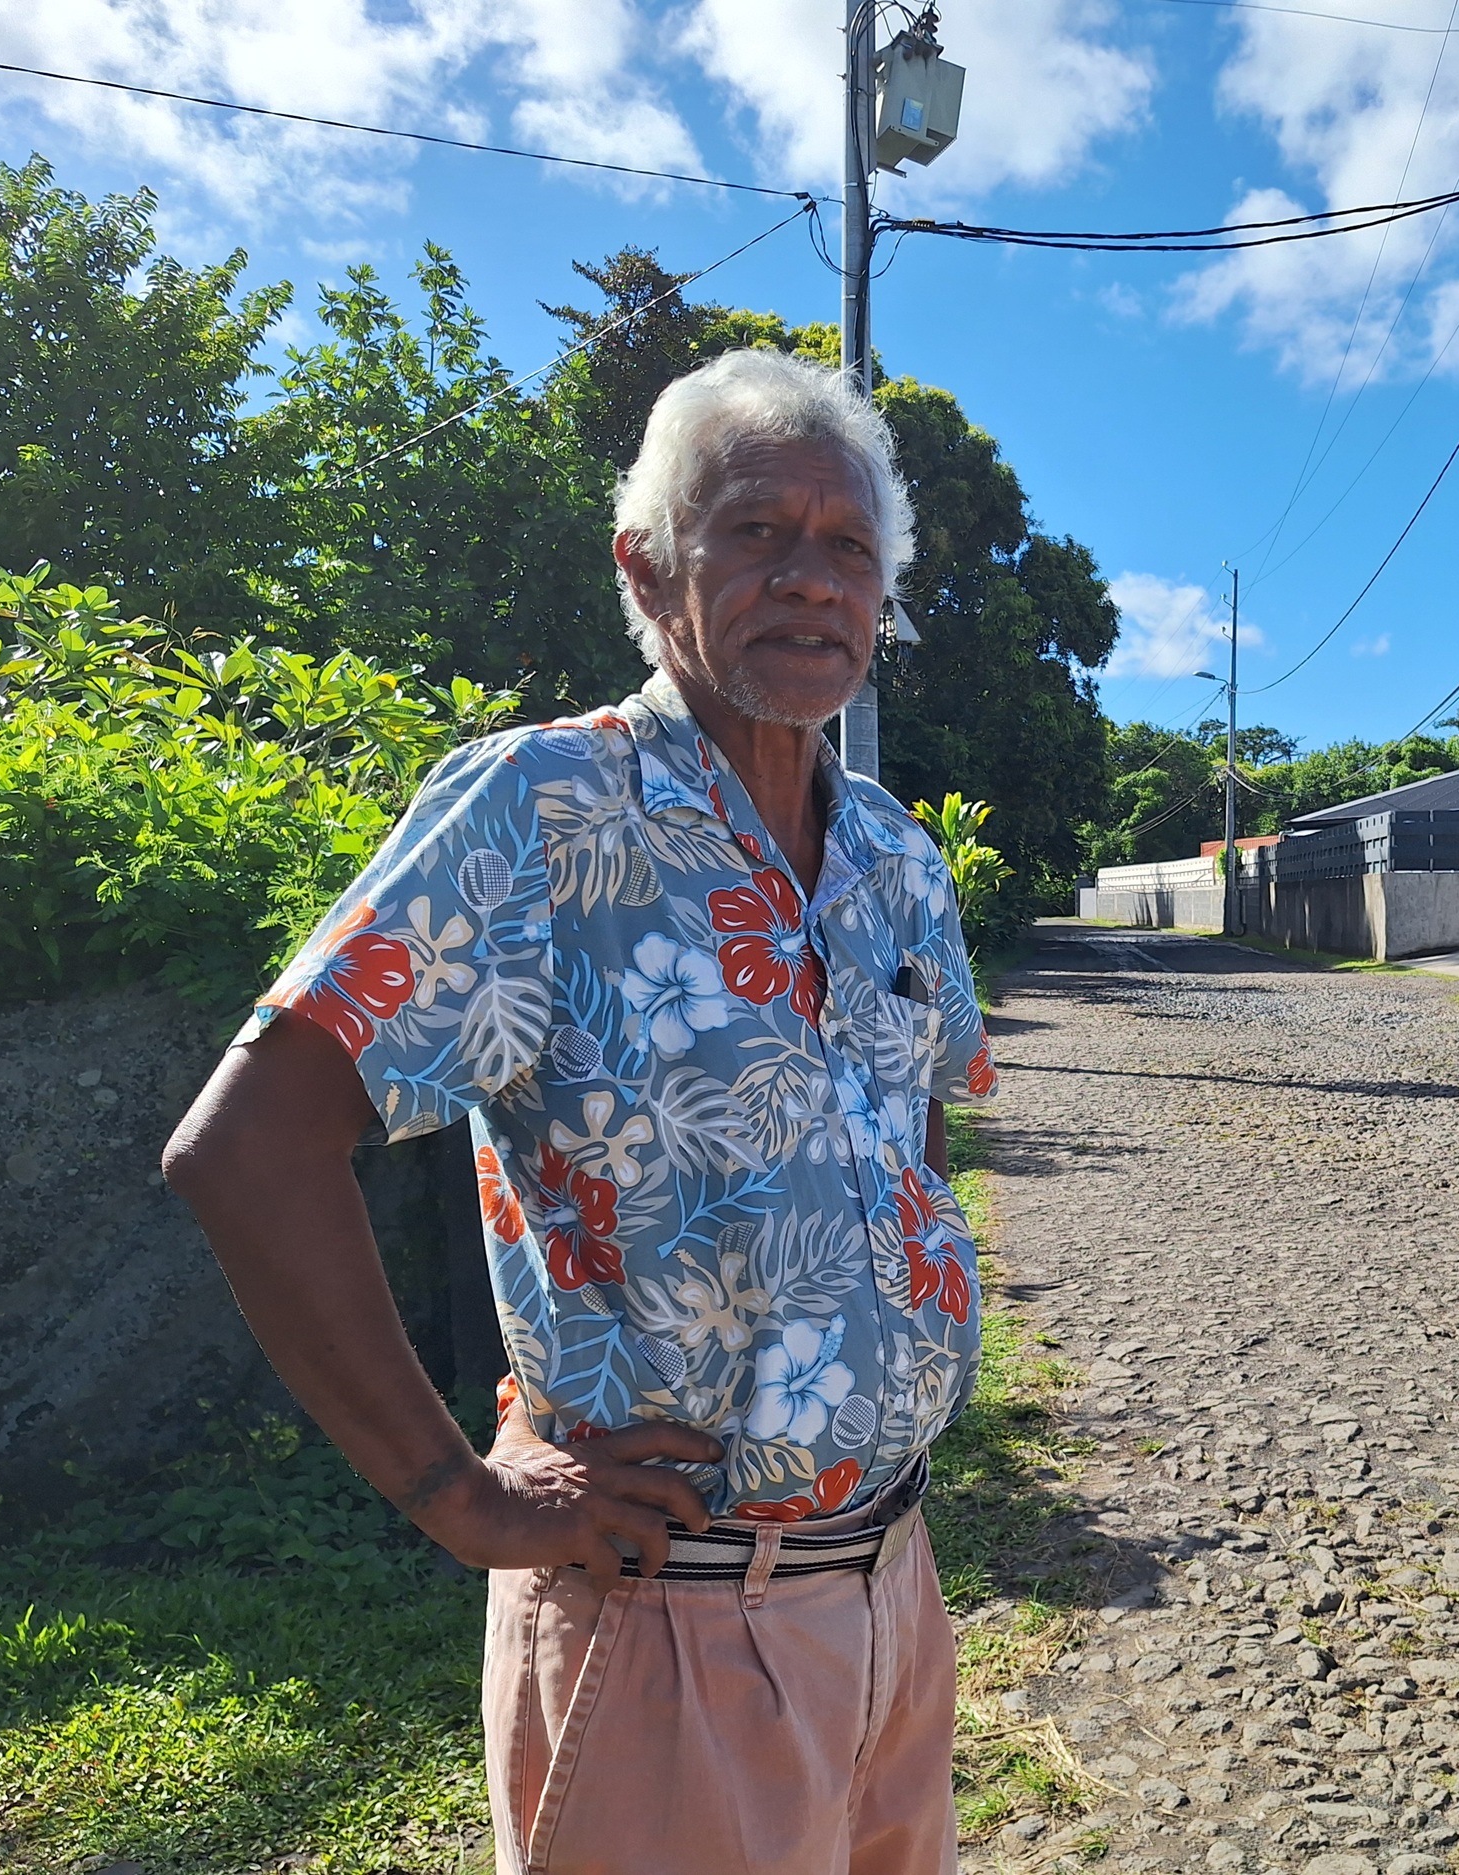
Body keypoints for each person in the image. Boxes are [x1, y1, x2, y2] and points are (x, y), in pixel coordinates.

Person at [163, 348, 995, 1875]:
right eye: (756, 530)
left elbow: (908, 1134)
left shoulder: (893, 854)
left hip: (893, 1580)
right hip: (671, 1609)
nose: (813, 580)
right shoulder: (542, 812)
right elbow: (247, 1145)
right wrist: (454, 1492)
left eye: (849, 547)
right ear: (649, 563)